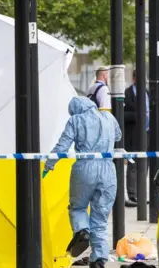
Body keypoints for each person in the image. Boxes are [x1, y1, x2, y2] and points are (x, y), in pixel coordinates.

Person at [42, 97, 121, 268]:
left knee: (78, 207)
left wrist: (49, 165)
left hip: (84, 168)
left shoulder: (76, 120)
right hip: (108, 169)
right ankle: (99, 258)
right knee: (100, 217)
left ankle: (82, 231)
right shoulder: (109, 117)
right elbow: (118, 135)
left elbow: (62, 146)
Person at [124, 69, 150, 208]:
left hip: (147, 132)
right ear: (133, 78)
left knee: (145, 165)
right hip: (133, 134)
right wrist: (137, 115)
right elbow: (121, 114)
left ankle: (141, 194)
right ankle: (132, 195)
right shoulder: (127, 93)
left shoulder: (147, 93)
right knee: (133, 165)